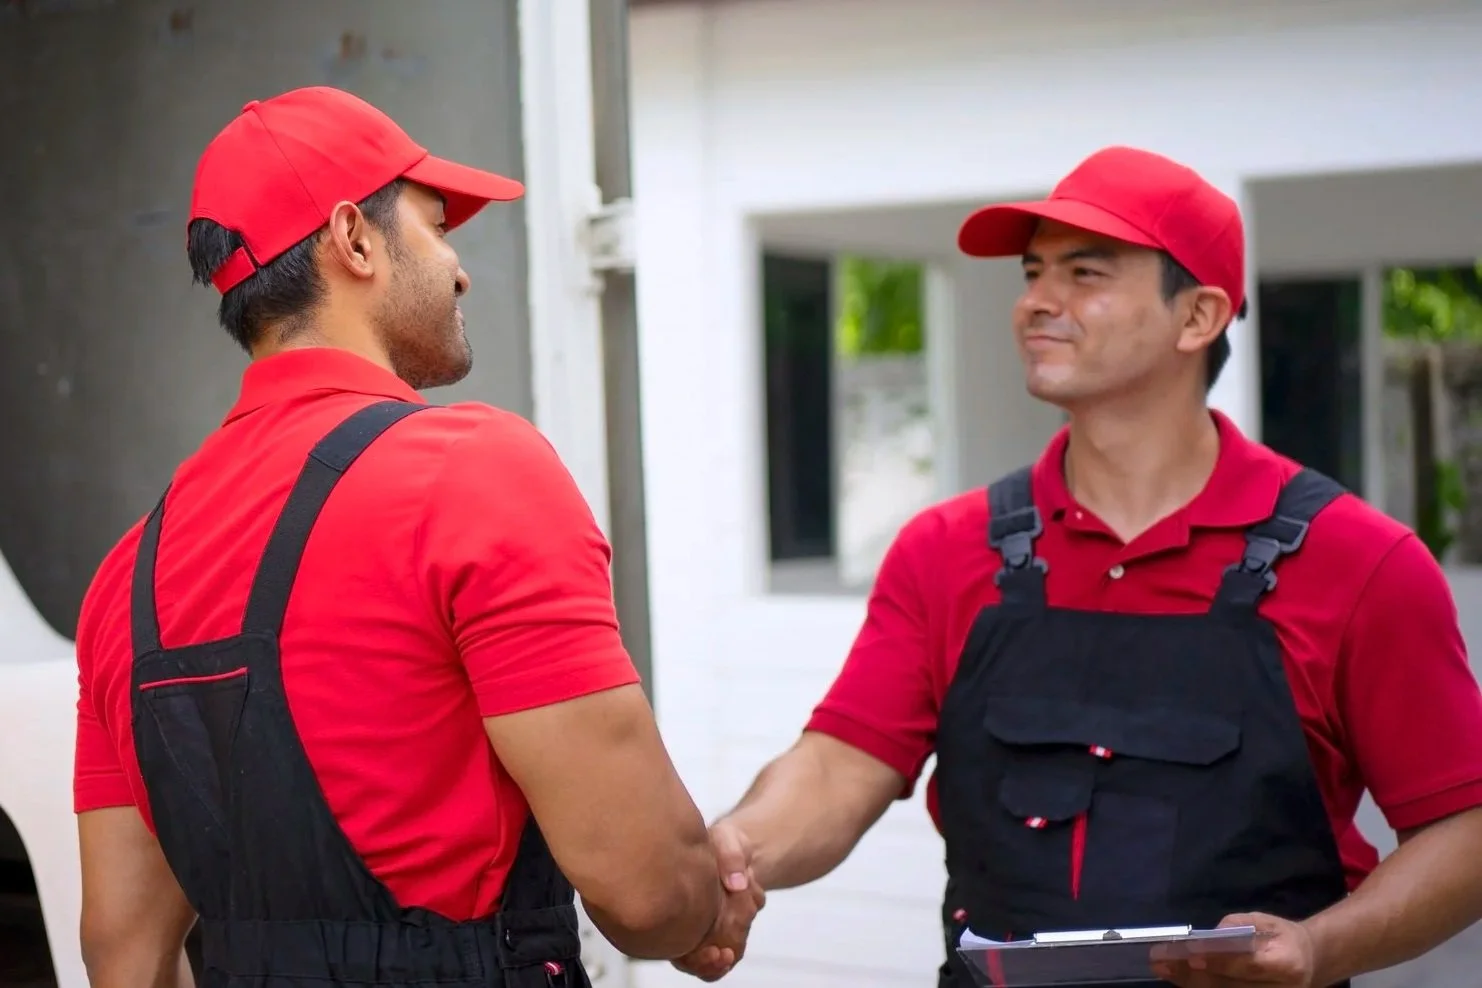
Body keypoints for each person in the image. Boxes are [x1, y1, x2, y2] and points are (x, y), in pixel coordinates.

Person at [672, 146, 1482, 988]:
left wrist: (1322, 949)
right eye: (1032, 274)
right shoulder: (947, 551)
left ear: (1198, 317)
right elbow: (841, 764)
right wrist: (735, 854)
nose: (1036, 304)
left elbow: (1466, 831)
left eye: (1085, 274)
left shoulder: (1359, 563)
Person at [72, 86, 760, 988]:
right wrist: (707, 905)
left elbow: (122, 951)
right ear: (355, 238)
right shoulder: (472, 470)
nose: (460, 269)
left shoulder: (125, 576)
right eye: (439, 227)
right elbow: (641, 889)